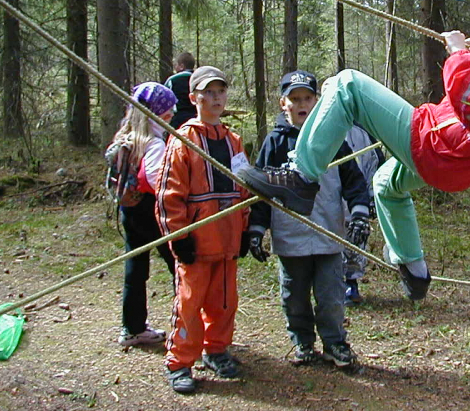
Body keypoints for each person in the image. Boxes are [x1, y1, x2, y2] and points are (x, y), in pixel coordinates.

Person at [237, 0, 470, 303]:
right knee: (386, 182)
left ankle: (300, 177)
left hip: (434, 144)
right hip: (457, 166)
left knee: (348, 86)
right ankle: (413, 266)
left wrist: (460, 54)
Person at [244, 70, 370, 368]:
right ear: (283, 103)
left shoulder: (332, 138)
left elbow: (354, 180)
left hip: (328, 233)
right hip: (290, 237)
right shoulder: (274, 144)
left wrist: (360, 213)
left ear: (317, 102)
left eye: (308, 98)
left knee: (331, 296)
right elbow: (260, 189)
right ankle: (302, 341)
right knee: (294, 296)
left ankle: (335, 342)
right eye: (295, 99)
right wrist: (257, 227)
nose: (302, 104)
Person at [155, 66, 251, 394]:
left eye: (220, 91)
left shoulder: (234, 140)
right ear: (194, 98)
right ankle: (180, 360)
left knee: (225, 301)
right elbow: (169, 194)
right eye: (208, 92)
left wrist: (246, 230)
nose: (215, 98)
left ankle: (217, 349)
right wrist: (179, 238)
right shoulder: (182, 140)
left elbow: (244, 190)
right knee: (190, 302)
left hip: (227, 240)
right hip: (196, 242)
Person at [106, 82, 177, 348]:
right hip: (152, 214)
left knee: (135, 270)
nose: (171, 115)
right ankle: (188, 327)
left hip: (129, 211)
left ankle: (133, 327)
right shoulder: (154, 143)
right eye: (168, 111)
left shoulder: (126, 136)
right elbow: (157, 180)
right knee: (179, 267)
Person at [342, 124, 384, 305]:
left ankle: (351, 283)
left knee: (356, 235)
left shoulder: (364, 132)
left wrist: (372, 198)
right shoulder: (319, 124)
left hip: (357, 196)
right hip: (330, 197)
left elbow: (374, 165)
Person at [164, 52, 197, 129]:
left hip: (177, 119)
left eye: (176, 65)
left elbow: (165, 97)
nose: (175, 67)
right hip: (196, 117)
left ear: (182, 66)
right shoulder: (198, 79)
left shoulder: (172, 80)